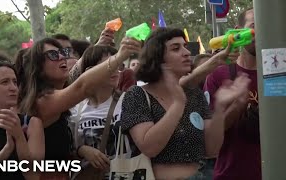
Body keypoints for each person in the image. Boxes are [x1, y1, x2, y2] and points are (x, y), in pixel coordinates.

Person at [120, 27, 250, 180]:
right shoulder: (137, 95)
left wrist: (221, 108)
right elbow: (150, 147)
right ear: (157, 57)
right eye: (176, 48)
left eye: (185, 46)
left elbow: (211, 149)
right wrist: (178, 105)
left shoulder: (194, 93)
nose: (187, 52)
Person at [19, 37, 141, 179]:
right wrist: (119, 57)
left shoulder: (60, 96)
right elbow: (81, 86)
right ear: (38, 68)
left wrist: (80, 150)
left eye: (63, 52)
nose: (61, 57)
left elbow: (78, 73)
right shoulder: (42, 101)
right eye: (53, 55)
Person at [204, 8, 260, 180]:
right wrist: (235, 107)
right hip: (231, 174)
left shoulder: (280, 74)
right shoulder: (218, 76)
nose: (261, 32)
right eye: (254, 26)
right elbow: (209, 142)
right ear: (238, 30)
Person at [74, 45, 124, 179]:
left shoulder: (129, 102)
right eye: (109, 65)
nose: (116, 71)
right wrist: (82, 151)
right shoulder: (74, 110)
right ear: (90, 71)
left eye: (118, 65)